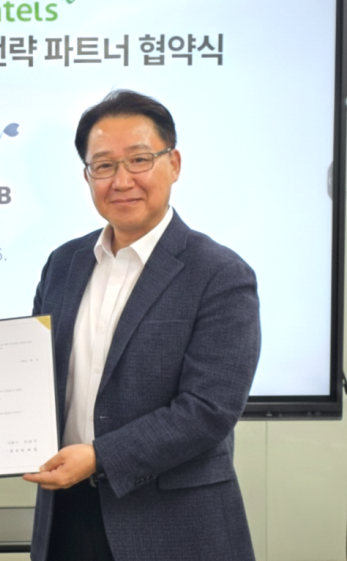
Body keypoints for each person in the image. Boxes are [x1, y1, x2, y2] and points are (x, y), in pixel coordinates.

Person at [24, 90, 260, 561]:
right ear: (87, 175)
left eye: (139, 160)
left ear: (173, 164)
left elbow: (208, 410)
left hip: (173, 527)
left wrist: (100, 457)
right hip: (66, 518)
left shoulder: (219, 273)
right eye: (104, 165)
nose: (121, 180)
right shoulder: (64, 263)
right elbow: (38, 376)